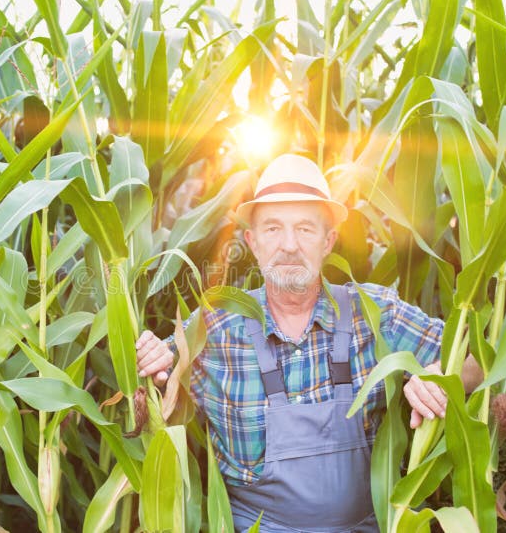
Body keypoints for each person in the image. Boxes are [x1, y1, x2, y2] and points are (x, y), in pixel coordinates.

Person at [135, 154, 483, 532]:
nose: (288, 245)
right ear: (252, 242)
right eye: (272, 229)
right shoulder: (213, 328)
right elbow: (158, 384)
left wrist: (440, 378)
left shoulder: (374, 312)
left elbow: (478, 360)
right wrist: (152, 361)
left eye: (304, 229)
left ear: (328, 241)